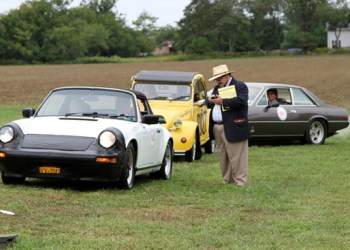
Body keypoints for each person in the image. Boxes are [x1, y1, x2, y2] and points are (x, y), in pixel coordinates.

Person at [205, 64, 250, 186]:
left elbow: (241, 101)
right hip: (217, 126)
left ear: (226, 76)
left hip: (234, 125)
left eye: (218, 79)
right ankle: (227, 179)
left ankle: (240, 181)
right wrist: (210, 100)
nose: (217, 81)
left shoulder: (240, 86)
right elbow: (208, 102)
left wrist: (223, 101)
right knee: (222, 155)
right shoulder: (217, 88)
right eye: (216, 79)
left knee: (238, 155)